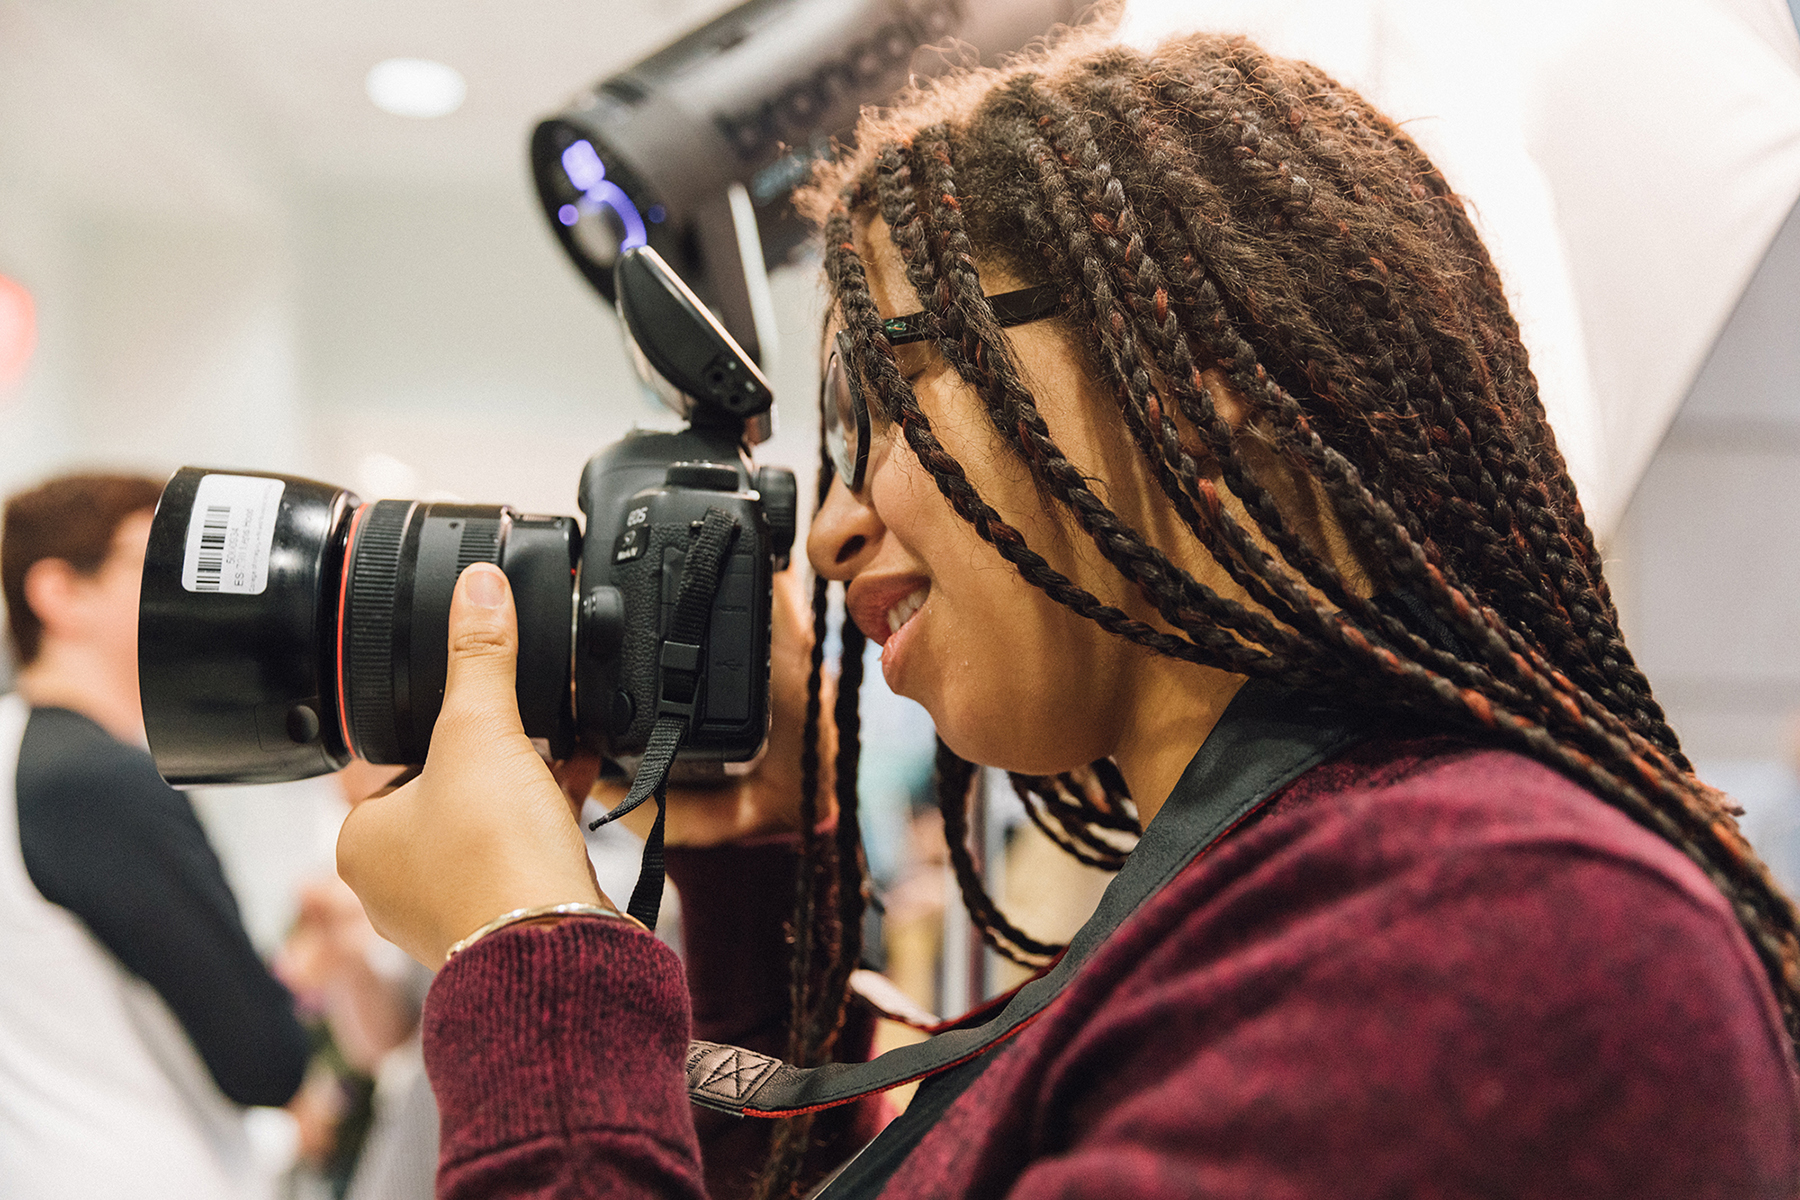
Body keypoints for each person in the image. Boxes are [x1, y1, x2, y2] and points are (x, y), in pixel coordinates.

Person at [337, 28, 1800, 1200]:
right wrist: (760, 870)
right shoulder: (1302, 899)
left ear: (1198, 375)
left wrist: (528, 952)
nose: (831, 529)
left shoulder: (1505, 936)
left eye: (883, 401)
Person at [0, 472, 309, 1198]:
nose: (189, 589)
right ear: (60, 594)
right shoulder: (97, 781)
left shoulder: (22, 757)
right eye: (154, 564)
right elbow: (264, 1063)